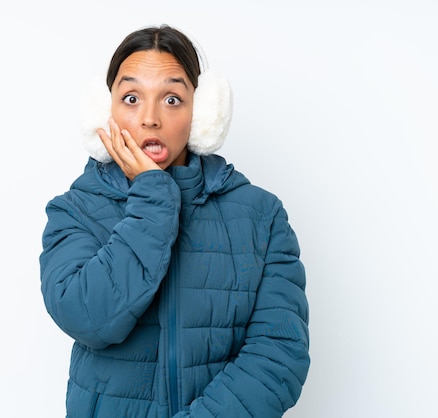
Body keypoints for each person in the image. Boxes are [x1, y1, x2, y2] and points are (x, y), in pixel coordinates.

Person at [39, 24, 310, 417]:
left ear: (202, 113)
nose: (149, 119)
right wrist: (152, 196)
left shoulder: (261, 216)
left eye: (171, 99)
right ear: (104, 111)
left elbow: (279, 356)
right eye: (131, 97)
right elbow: (88, 317)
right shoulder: (74, 211)